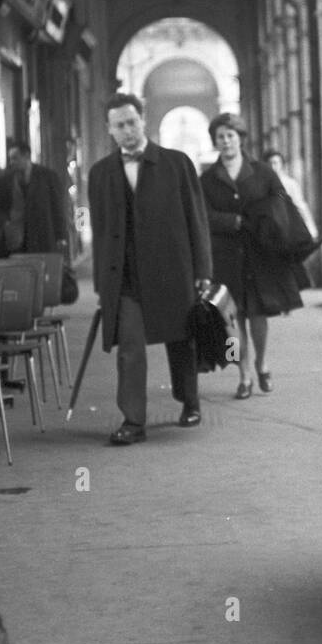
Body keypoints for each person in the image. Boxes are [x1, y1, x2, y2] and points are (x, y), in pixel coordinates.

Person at [89, 92, 212, 443]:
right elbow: (100, 232)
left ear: (142, 120)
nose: (127, 130)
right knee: (130, 347)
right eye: (119, 125)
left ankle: (190, 402)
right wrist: (102, 286)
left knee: (181, 339)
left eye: (131, 122)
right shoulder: (100, 174)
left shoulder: (177, 164)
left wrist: (203, 269)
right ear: (110, 130)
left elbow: (196, 219)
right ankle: (133, 421)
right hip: (124, 277)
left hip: (172, 269)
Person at [201, 114, 307, 399]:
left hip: (259, 256)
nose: (226, 141)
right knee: (231, 321)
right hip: (224, 260)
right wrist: (231, 221)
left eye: (230, 136)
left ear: (240, 139)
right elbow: (203, 215)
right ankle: (243, 374)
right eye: (220, 137)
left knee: (259, 316)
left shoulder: (262, 172)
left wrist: (269, 220)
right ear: (215, 141)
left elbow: (281, 202)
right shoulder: (208, 179)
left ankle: (261, 363)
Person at [0, 139, 70, 257]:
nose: (12, 162)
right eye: (10, 158)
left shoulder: (47, 177)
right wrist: (6, 223)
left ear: (26, 156)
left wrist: (61, 236)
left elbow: (57, 208)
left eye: (15, 158)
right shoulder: (6, 180)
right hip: (15, 238)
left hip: (41, 237)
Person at [262, 149, 318, 240]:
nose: (273, 167)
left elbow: (300, 205)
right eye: (270, 163)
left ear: (281, 165)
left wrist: (311, 229)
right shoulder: (261, 184)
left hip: (288, 227)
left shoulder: (290, 184)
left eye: (275, 163)